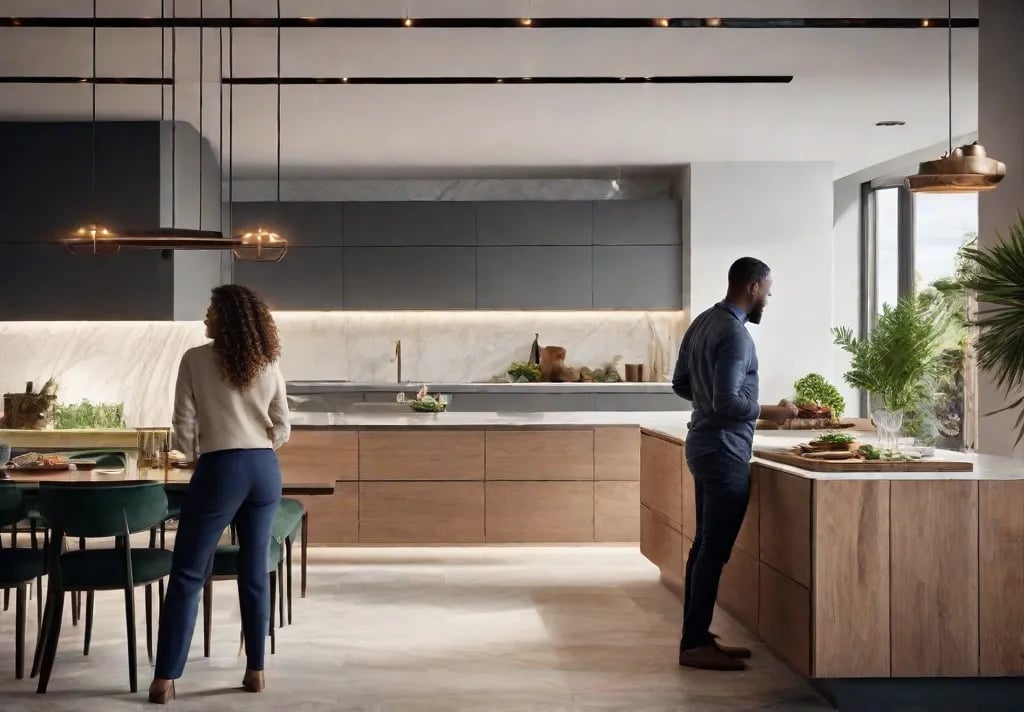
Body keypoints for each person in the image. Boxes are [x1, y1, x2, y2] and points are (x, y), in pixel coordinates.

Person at [149, 284, 290, 703]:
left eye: (211, 310)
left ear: (226, 318)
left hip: (220, 468)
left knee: (189, 572)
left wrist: (196, 455)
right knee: (255, 569)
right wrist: (258, 446)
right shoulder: (268, 361)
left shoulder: (195, 359)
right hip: (264, 469)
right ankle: (256, 671)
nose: (205, 317)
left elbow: (183, 424)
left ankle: (164, 680)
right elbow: (283, 425)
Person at [671, 257, 796, 671]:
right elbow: (727, 402)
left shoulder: (703, 323)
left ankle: (696, 637)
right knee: (712, 551)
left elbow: (681, 384)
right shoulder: (736, 335)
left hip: (702, 444)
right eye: (767, 291)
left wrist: (710, 402)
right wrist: (775, 412)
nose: (768, 299)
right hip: (725, 451)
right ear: (753, 287)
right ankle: (693, 645)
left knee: (703, 547)